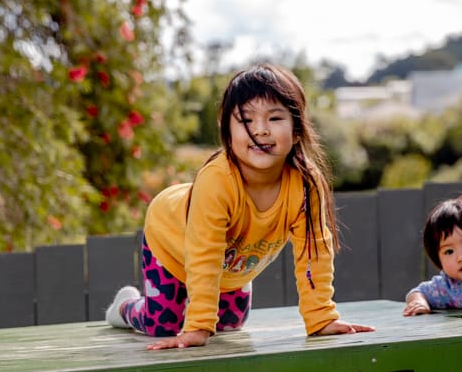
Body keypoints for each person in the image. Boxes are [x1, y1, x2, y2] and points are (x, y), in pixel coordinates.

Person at [107, 63, 375, 349]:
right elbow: (204, 254)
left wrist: (321, 318)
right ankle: (126, 307)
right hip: (171, 238)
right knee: (163, 325)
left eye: (274, 118)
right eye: (246, 120)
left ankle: (196, 308)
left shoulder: (306, 184)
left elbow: (314, 254)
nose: (260, 131)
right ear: (227, 130)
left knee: (230, 324)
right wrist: (197, 326)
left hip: (230, 265)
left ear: (297, 130)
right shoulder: (216, 181)